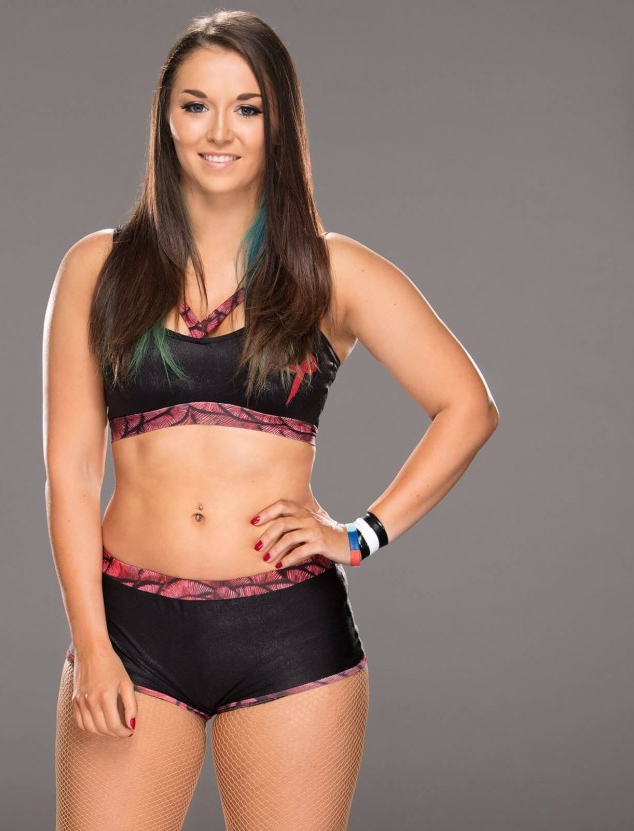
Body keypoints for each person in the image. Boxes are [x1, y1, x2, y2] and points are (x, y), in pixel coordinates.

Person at [43, 10, 499, 831]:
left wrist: (359, 534)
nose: (219, 131)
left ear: (279, 123)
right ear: (165, 119)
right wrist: (93, 642)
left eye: (247, 108)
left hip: (288, 636)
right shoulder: (98, 268)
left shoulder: (331, 273)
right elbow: (71, 472)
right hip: (131, 632)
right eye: (196, 105)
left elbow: (468, 405)